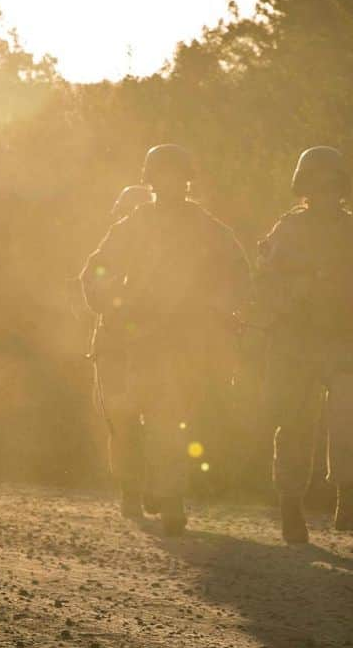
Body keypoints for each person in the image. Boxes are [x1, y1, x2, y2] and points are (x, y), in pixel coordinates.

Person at [81, 146, 249, 534]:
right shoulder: (132, 226)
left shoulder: (206, 226)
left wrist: (218, 307)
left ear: (187, 179)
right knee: (123, 421)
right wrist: (115, 308)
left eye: (176, 175)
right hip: (129, 340)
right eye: (161, 175)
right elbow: (96, 273)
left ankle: (171, 500)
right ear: (150, 179)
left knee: (169, 421)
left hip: (178, 344)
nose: (169, 183)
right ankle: (131, 488)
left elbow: (238, 274)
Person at [256, 147, 353, 544]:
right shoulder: (287, 230)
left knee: (351, 417)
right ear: (304, 188)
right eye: (315, 184)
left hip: (345, 340)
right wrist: (298, 295)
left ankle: (347, 504)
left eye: (331, 183)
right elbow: (265, 283)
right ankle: (291, 506)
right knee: (296, 424)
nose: (324, 191)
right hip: (297, 341)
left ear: (341, 187)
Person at [85, 184, 155, 518]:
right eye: (126, 213)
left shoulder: (167, 254)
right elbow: (93, 283)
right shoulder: (112, 248)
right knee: (121, 421)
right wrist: (115, 298)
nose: (130, 219)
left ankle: (158, 485)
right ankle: (131, 491)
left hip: (155, 344)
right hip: (113, 344)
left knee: (162, 417)